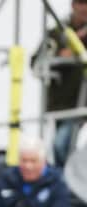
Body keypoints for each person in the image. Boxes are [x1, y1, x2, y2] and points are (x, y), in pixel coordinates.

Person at [33, 0, 87, 166]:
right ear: (73, 5)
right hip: (64, 103)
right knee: (61, 146)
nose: (85, 8)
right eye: (81, 3)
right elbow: (36, 62)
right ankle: (63, 185)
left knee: (63, 145)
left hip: (82, 102)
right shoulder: (57, 33)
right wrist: (60, 55)